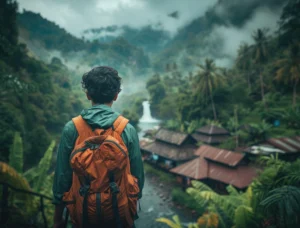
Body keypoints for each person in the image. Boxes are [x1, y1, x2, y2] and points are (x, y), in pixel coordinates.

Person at [52, 66, 144, 228]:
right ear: (116, 96)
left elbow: (62, 178)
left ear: (88, 95)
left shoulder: (72, 128)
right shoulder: (127, 129)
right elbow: (138, 176)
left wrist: (58, 218)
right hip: (119, 212)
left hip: (83, 213)